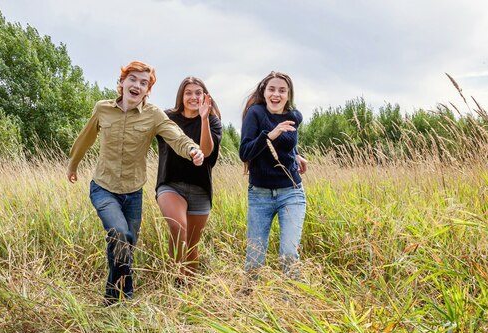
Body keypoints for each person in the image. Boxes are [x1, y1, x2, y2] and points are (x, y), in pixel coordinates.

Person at [66, 61, 206, 305]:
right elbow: (85, 138)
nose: (137, 85)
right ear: (122, 83)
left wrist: (193, 150)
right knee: (119, 234)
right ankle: (121, 298)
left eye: (144, 83)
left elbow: (176, 136)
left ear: (147, 91)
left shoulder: (153, 115)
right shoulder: (103, 109)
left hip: (133, 193)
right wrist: (72, 164)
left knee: (126, 245)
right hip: (103, 187)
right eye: (133, 79)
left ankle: (116, 298)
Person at [238, 71, 308, 278]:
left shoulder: (295, 116)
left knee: (288, 253)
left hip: (291, 192)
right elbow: (245, 152)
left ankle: (291, 302)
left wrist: (295, 154)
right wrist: (269, 136)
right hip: (260, 195)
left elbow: (287, 144)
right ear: (264, 91)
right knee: (255, 257)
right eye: (272, 89)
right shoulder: (255, 113)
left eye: (282, 90)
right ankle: (248, 299)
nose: (276, 94)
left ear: (289, 94)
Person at [155, 77, 222, 278]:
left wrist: (203, 119)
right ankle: (175, 281)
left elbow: (206, 152)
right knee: (178, 228)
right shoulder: (167, 118)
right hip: (170, 185)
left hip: (200, 189)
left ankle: (187, 290)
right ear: (181, 96)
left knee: (192, 244)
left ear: (204, 96)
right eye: (188, 93)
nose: (193, 97)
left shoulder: (212, 121)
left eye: (198, 93)